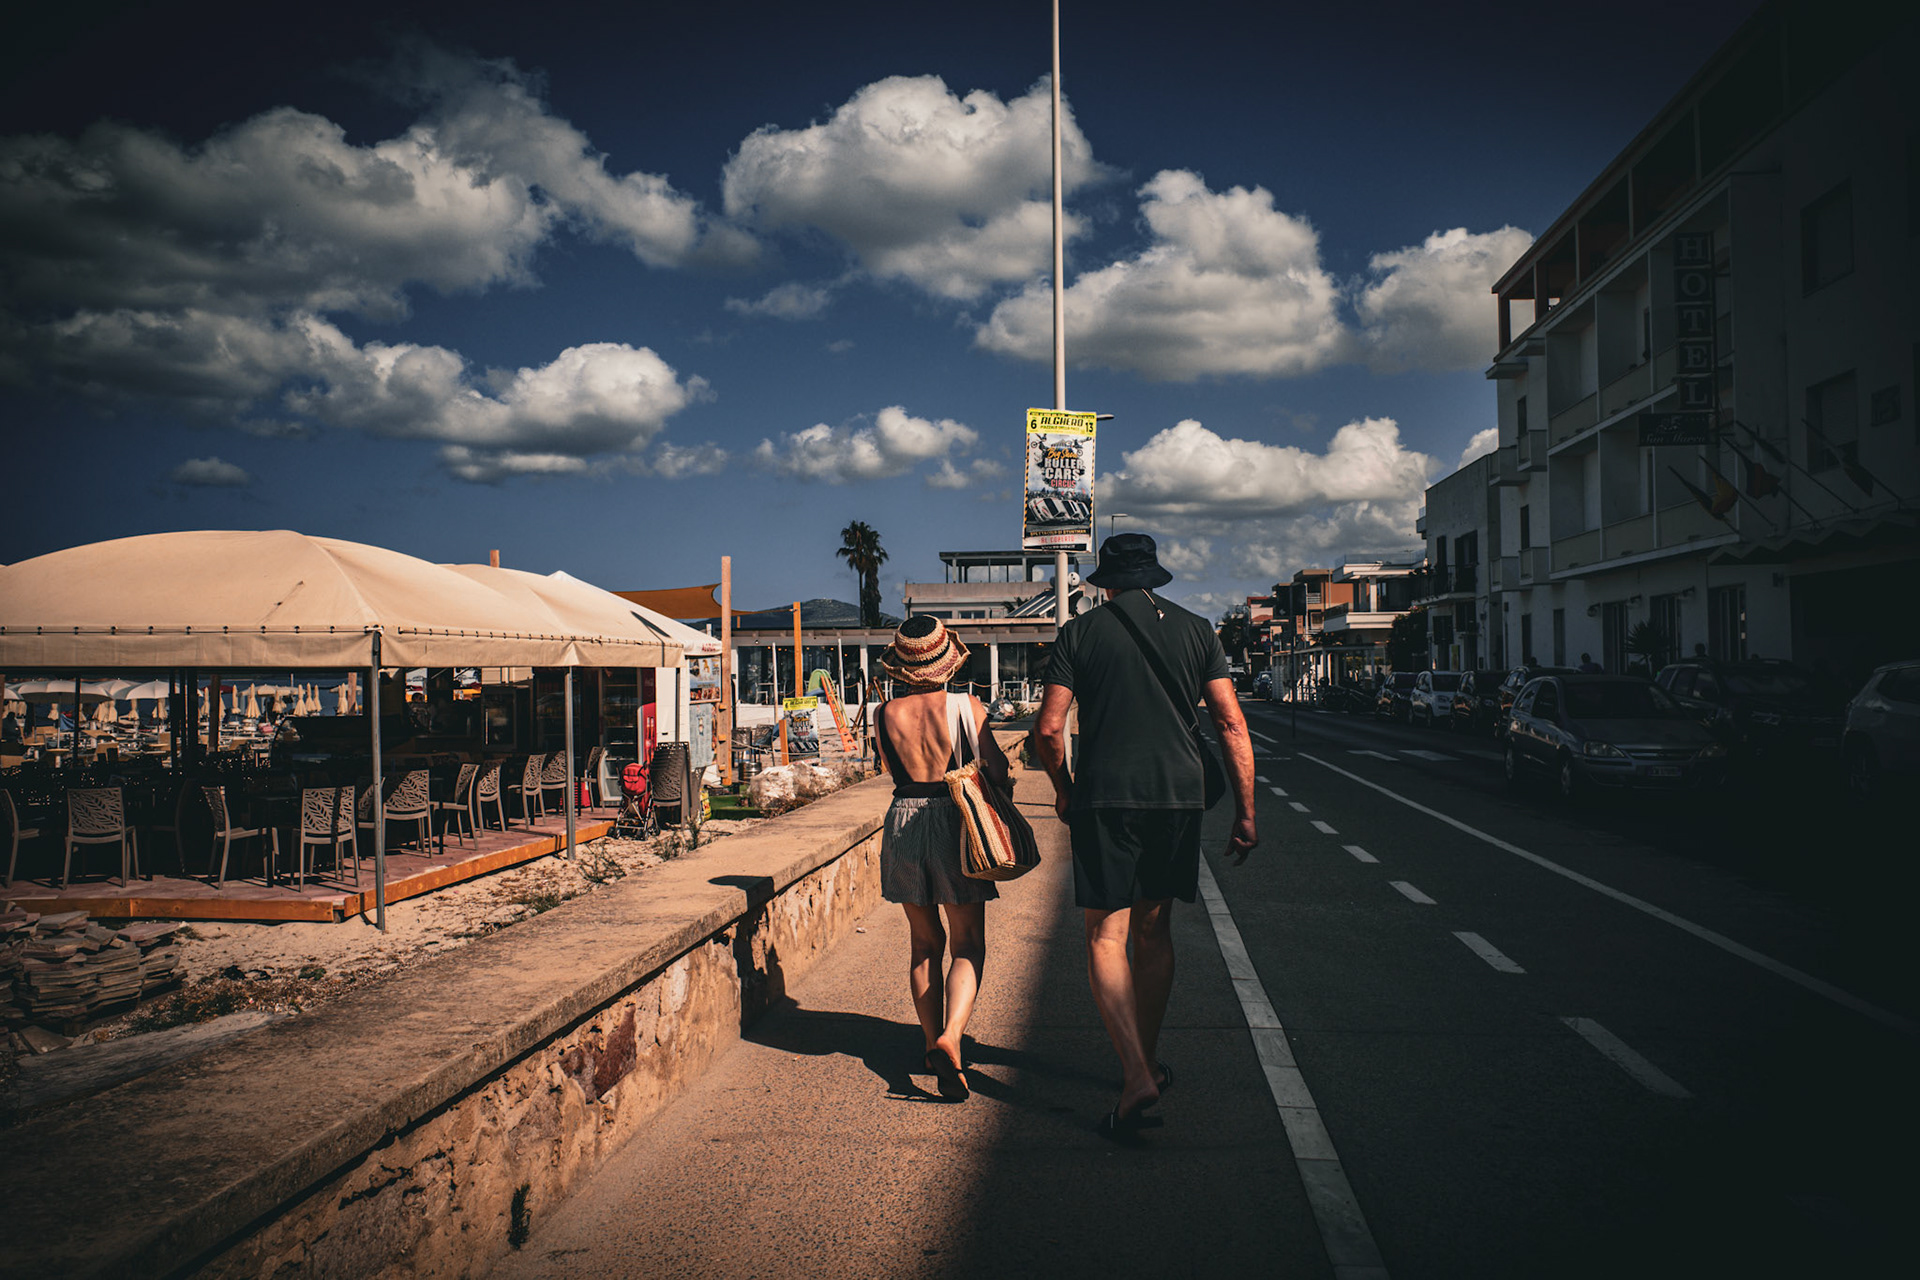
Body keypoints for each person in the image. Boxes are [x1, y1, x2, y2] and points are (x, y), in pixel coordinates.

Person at [1034, 533, 1258, 1136]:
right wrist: (1245, 812)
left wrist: (1063, 787)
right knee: (1154, 928)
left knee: (1105, 936)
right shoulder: (1197, 630)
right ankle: (1148, 1062)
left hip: (1106, 797)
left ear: (1105, 580)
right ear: (1156, 577)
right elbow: (1232, 725)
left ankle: (1133, 1071)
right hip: (1179, 798)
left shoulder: (1079, 634)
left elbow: (1049, 730)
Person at [872, 614, 1015, 1101]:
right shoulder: (966, 706)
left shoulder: (885, 714)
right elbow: (995, 768)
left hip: (904, 819)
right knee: (967, 943)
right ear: (945, 662)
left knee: (922, 944)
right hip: (956, 820)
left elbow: (892, 767)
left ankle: (930, 1042)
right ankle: (953, 1038)